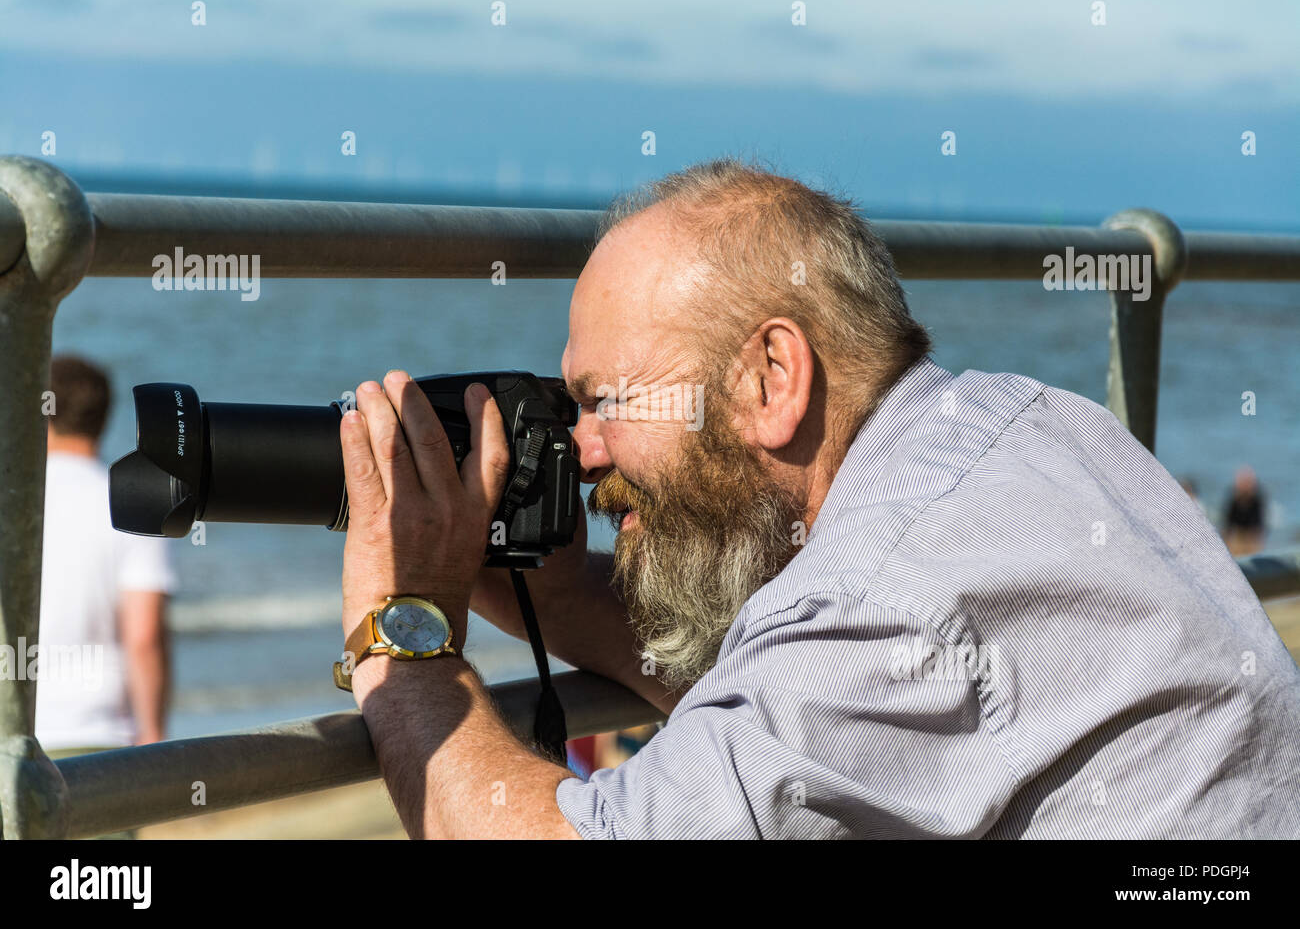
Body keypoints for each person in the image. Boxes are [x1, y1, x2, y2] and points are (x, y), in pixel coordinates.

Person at [334, 158, 1300, 838]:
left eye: (607, 402)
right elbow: (823, 713)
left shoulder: (883, 597)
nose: (581, 453)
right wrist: (559, 600)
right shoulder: (1023, 425)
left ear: (769, 378)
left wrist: (402, 625)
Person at [37, 356, 176, 777]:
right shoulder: (131, 504)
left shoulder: (13, 499)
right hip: (99, 737)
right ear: (104, 416)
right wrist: (152, 733)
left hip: (14, 731)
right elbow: (143, 635)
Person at [1222, 466, 1267, 556]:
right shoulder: (1234, 500)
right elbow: (1228, 522)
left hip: (1251, 536)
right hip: (1238, 535)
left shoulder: (1257, 500)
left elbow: (1259, 524)